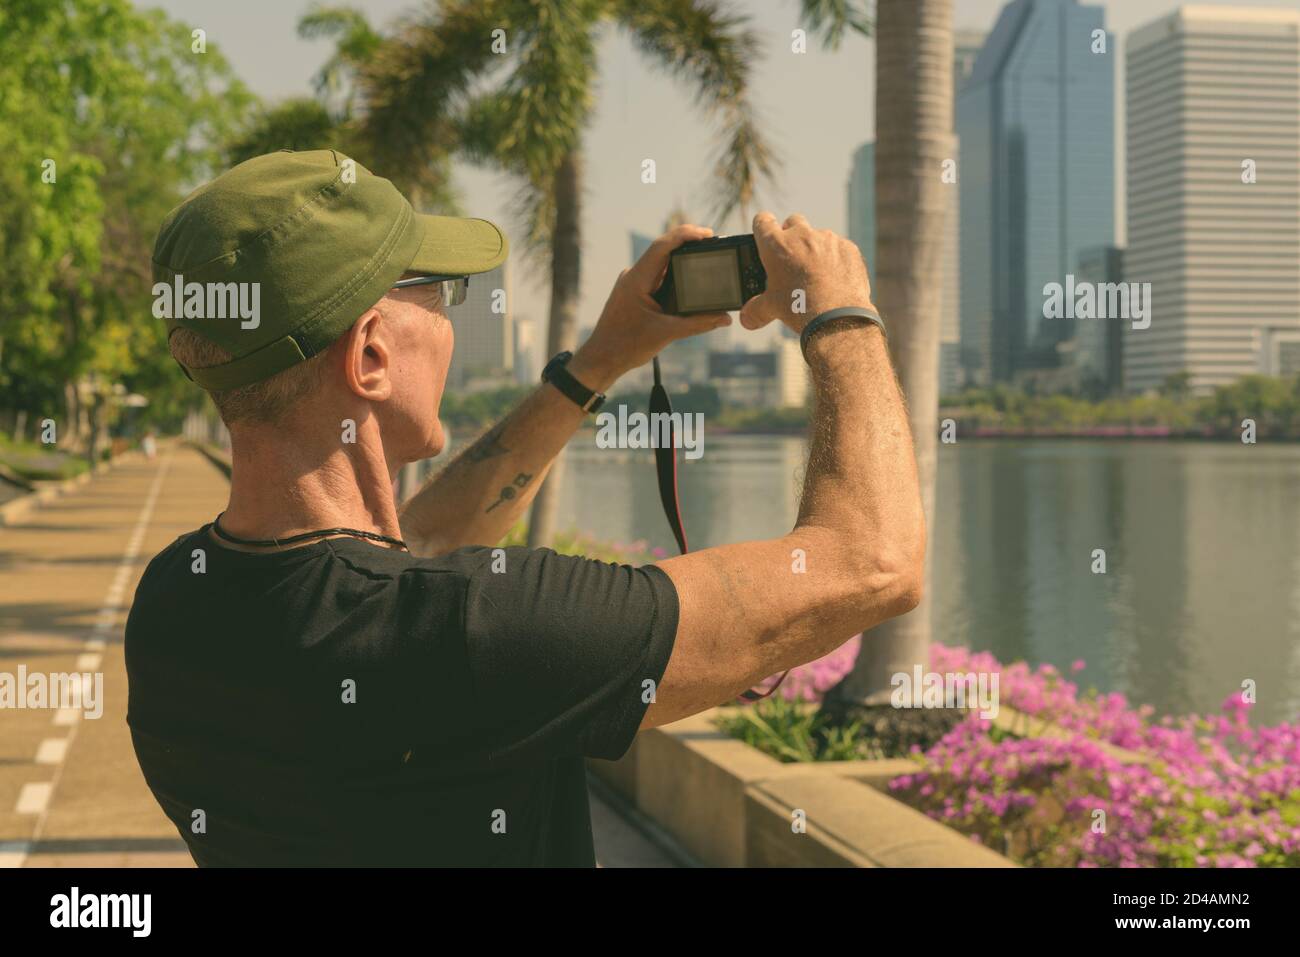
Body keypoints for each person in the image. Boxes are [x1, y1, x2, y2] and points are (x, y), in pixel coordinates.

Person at [125, 149, 924, 866]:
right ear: (371, 354)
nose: (450, 317)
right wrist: (841, 315)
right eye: (440, 293)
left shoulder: (173, 604)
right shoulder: (484, 627)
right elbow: (875, 560)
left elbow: (415, 547)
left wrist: (601, 359)